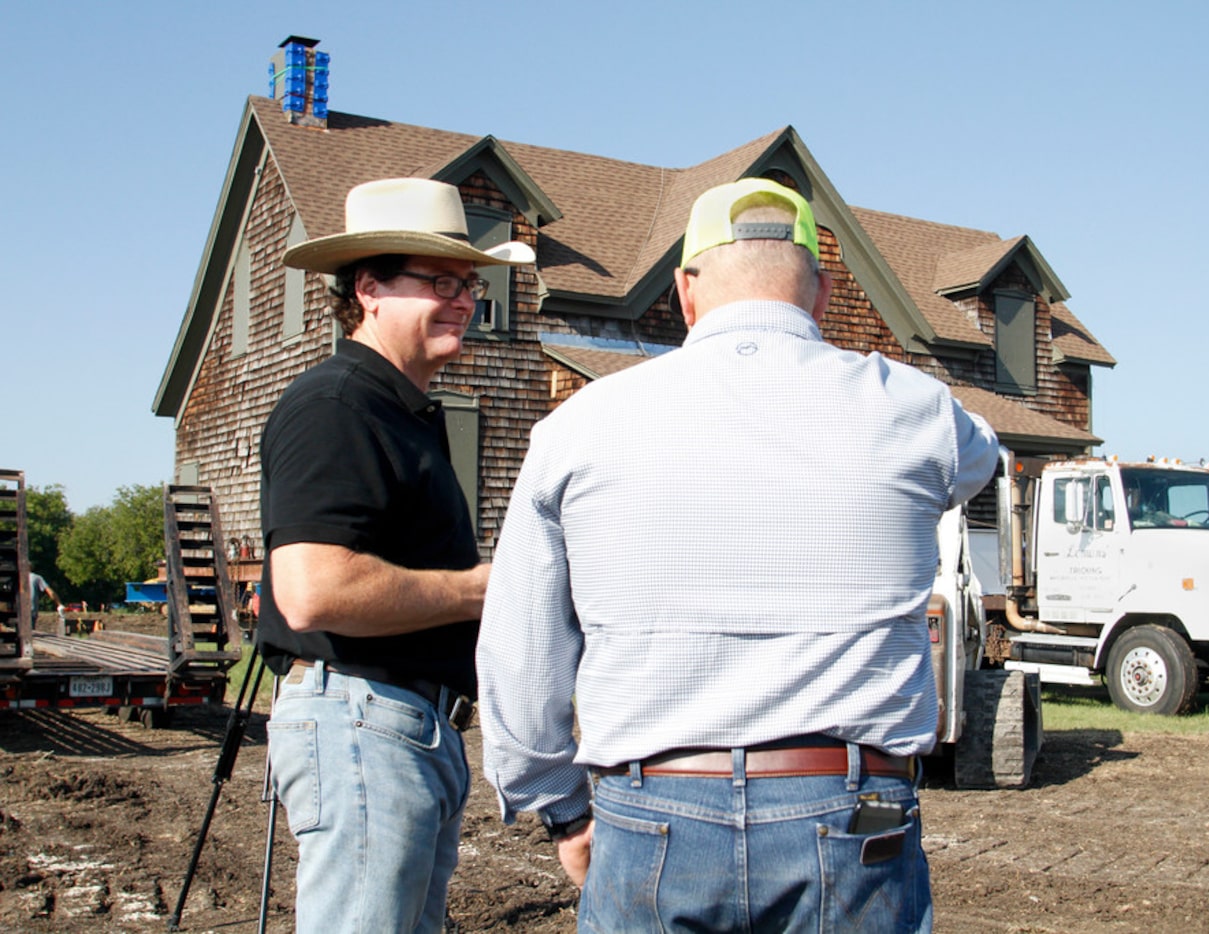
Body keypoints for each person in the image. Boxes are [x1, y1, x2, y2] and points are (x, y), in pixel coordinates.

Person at [476, 178, 998, 932]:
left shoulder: (579, 426)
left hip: (651, 807)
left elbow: (522, 650)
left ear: (686, 292)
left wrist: (560, 810)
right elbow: (984, 456)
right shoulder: (913, 409)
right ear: (819, 296)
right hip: (854, 813)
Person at [256, 177, 534, 932]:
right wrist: (486, 587)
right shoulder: (337, 406)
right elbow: (313, 592)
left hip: (403, 726)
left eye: (471, 285)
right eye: (440, 282)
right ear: (369, 288)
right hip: (363, 719)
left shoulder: (397, 410)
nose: (465, 301)